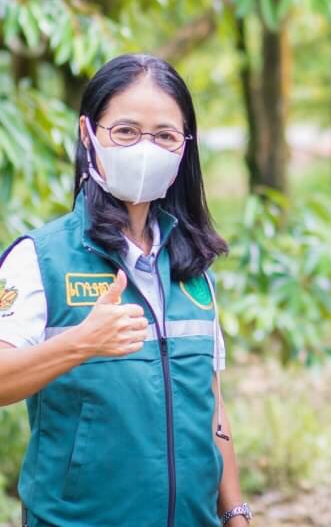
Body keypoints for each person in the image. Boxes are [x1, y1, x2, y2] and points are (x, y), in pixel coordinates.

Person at [0, 55, 252, 526]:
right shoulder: (41, 258)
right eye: (125, 132)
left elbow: (211, 402)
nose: (145, 148)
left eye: (164, 136)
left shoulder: (191, 265)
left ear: (184, 148)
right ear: (88, 134)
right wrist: (81, 343)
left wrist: (236, 513)